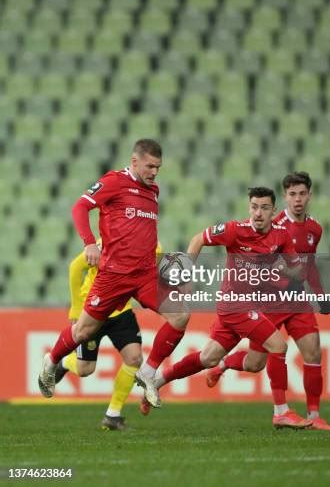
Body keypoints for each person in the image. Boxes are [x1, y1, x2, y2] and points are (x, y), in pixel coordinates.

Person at [143, 186, 312, 429]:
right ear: (249, 208)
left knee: (210, 358)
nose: (258, 213)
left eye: (264, 208)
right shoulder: (235, 230)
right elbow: (198, 238)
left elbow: (297, 270)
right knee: (279, 346)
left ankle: (156, 382)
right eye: (254, 207)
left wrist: (284, 267)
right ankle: (281, 412)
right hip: (234, 304)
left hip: (250, 305)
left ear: (273, 210)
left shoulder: (282, 236)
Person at [39, 138, 189, 408]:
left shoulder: (153, 190)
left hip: (144, 275)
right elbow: (80, 207)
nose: (154, 172)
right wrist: (88, 242)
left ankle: (148, 373)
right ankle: (50, 363)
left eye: (158, 167)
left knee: (180, 316)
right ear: (134, 161)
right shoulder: (114, 182)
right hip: (114, 275)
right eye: (150, 166)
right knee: (83, 331)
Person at [206, 172, 330, 431]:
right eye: (292, 194)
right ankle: (223, 364)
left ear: (309, 195)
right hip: (270, 301)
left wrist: (320, 295)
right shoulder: (272, 226)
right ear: (285, 197)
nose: (297, 199)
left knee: (313, 351)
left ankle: (314, 415)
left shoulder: (315, 229)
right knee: (256, 363)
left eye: (302, 194)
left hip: (297, 300)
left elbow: (309, 265)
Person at [55, 239, 162, 430]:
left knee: (135, 358)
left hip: (121, 310)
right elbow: (75, 267)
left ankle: (113, 415)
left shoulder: (154, 247)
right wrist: (76, 309)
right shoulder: (107, 242)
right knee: (85, 369)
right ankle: (64, 362)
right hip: (94, 310)